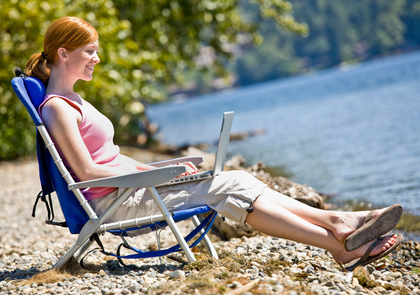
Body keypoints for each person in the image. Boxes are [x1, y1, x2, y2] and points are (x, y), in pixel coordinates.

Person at [24, 17, 403, 271]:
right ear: (63, 53)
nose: (97, 58)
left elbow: (110, 161)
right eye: (90, 51)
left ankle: (337, 223)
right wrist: (156, 175)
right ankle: (337, 243)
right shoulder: (58, 108)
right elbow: (88, 174)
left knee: (234, 176)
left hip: (133, 190)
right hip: (117, 204)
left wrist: (160, 169)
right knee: (227, 187)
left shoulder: (76, 101)